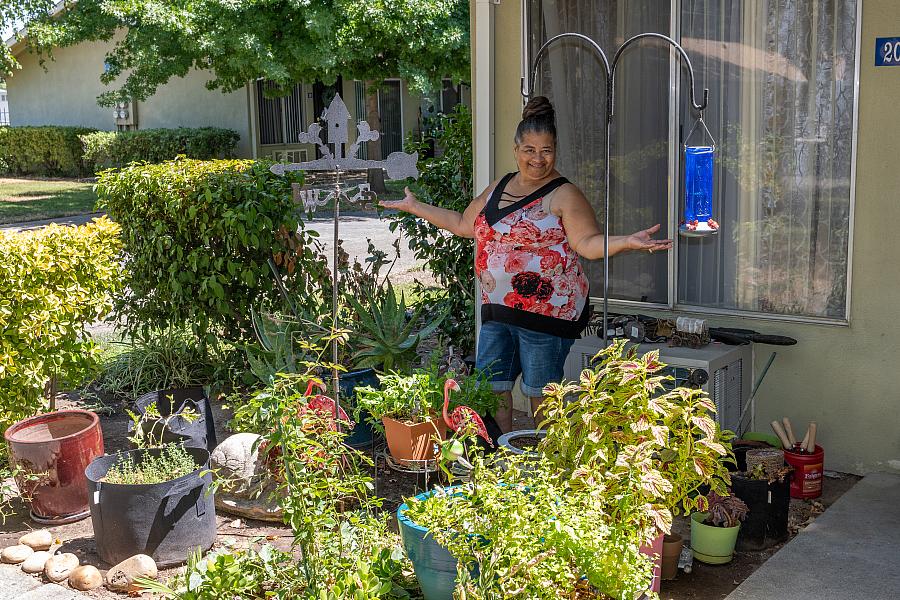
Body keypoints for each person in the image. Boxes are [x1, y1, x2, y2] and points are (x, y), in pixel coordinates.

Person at [380, 96, 672, 433]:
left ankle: (549, 461)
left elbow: (587, 244)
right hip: (498, 309)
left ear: (555, 151)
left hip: (545, 315)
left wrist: (627, 241)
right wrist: (417, 207)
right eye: (529, 149)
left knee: (541, 391)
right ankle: (503, 456)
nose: (537, 158)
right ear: (517, 148)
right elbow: (463, 224)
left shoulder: (564, 194)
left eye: (546, 150)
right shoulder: (499, 187)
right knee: (493, 386)